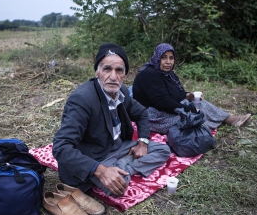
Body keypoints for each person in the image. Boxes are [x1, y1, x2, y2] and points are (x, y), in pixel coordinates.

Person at [52, 43, 171, 197]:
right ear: (97, 72)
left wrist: (142, 142)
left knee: (163, 150)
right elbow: (61, 147)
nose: (113, 77)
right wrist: (100, 170)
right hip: (95, 157)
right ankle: (121, 166)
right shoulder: (82, 99)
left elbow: (141, 113)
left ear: (124, 75)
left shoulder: (121, 90)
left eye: (119, 70)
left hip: (119, 147)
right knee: (119, 188)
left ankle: (122, 165)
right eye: (107, 69)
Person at [132, 43, 251, 134]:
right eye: (164, 58)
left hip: (163, 108)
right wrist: (189, 110)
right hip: (152, 115)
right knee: (190, 115)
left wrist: (188, 95)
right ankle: (209, 124)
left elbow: (176, 92)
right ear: (157, 58)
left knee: (196, 101)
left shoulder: (167, 73)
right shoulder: (149, 74)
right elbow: (163, 103)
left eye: (171, 58)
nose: (168, 62)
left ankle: (230, 119)